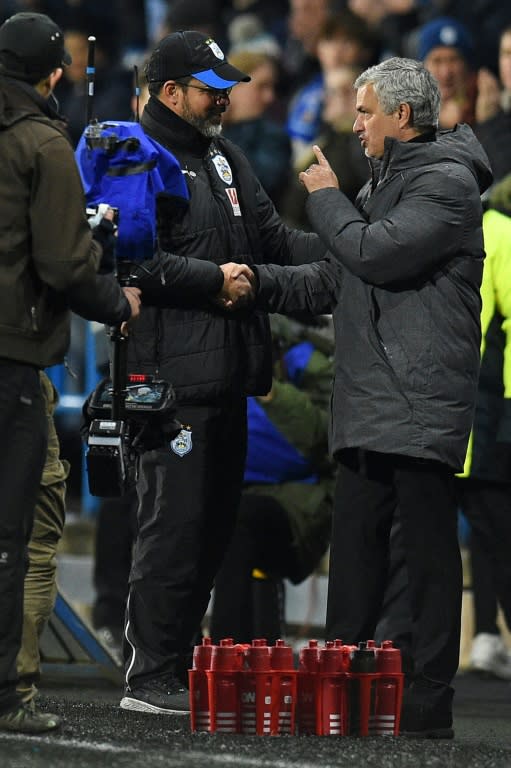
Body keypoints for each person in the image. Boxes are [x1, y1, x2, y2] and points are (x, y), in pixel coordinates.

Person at [247, 56, 492, 737]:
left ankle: (426, 697)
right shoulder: (387, 184)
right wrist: (249, 280)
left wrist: (325, 194)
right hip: (367, 401)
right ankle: (342, 689)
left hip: (416, 401)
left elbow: (371, 254)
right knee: (354, 554)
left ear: (401, 117)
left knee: (425, 554)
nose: (353, 125)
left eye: (364, 112)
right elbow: (332, 276)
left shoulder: (445, 186)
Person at [118, 29, 327, 716]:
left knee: (208, 529)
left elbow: (273, 242)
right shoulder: (136, 158)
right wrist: (213, 279)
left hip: (232, 376)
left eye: (225, 90)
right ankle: (148, 676)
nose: (223, 101)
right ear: (168, 91)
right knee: (172, 528)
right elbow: (128, 261)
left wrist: (350, 251)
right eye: (210, 91)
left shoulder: (224, 158)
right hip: (169, 380)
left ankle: (173, 669)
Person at [0, 11, 141, 734]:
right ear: (52, 74)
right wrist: (115, 294)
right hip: (14, 358)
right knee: (16, 534)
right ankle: (8, 696)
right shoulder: (43, 142)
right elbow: (60, 263)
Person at [209, 317, 334, 644]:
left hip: (300, 503)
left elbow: (321, 439)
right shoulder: (217, 359)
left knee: (238, 519)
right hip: (240, 493)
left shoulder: (312, 364)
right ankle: (173, 657)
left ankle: (228, 652)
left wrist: (269, 392)